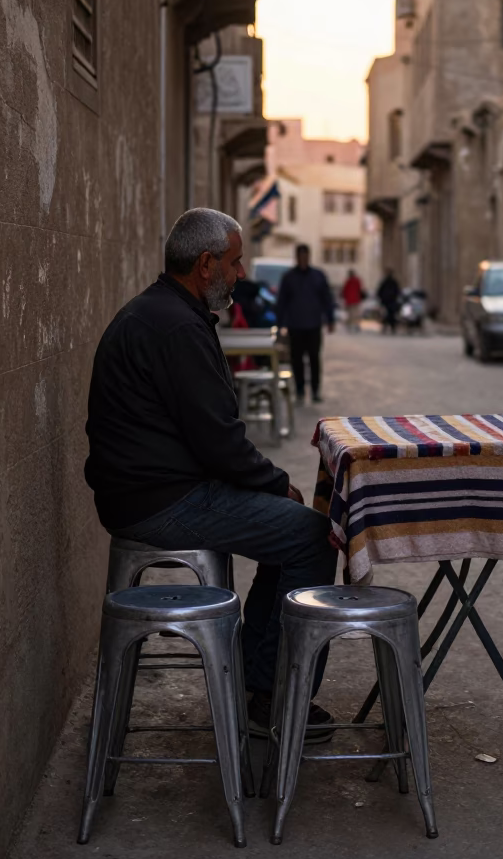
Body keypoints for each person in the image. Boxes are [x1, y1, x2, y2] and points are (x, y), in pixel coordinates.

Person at [84, 208, 337, 738]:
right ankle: (274, 696)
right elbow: (220, 442)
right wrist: (276, 484)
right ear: (205, 265)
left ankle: (253, 675)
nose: (241, 273)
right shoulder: (175, 326)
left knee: (288, 530)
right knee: (313, 534)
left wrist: (268, 487)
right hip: (162, 500)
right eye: (235, 261)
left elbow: (211, 436)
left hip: (149, 490)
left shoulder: (163, 313)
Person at [276, 244, 335, 404]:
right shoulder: (289, 278)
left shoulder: (318, 276)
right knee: (297, 360)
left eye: (305, 256)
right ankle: (300, 390)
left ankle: (315, 391)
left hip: (314, 325)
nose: (303, 259)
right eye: (300, 256)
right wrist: (280, 324)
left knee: (314, 359)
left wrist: (330, 320)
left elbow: (327, 299)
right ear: (297, 257)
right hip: (295, 326)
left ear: (309, 257)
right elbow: (282, 302)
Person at [377, 269, 401, 334]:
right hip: (389, 301)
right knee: (389, 315)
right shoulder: (389, 282)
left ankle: (389, 328)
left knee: (389, 315)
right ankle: (390, 328)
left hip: (389, 301)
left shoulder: (389, 282)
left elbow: (379, 292)